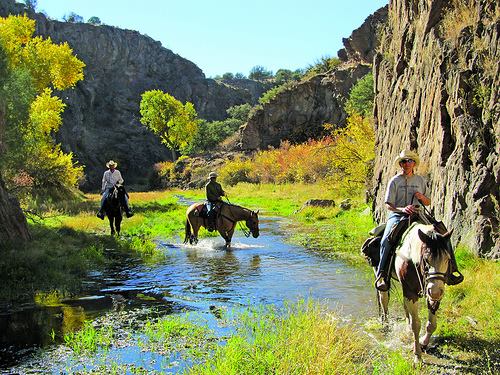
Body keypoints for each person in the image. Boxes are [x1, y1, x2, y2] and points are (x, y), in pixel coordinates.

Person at [375, 150, 463, 291]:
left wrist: (422, 197)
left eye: (409, 161)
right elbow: (388, 204)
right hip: (398, 215)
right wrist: (402, 209)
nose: (406, 164)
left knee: (442, 234)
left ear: (414, 163)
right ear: (400, 164)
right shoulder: (395, 181)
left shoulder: (420, 180)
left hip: (419, 214)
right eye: (404, 161)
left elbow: (428, 202)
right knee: (386, 239)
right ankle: (382, 275)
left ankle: (452, 271)